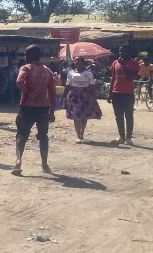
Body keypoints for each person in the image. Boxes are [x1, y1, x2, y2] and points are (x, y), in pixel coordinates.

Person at [13, 44, 56, 175]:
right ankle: (44, 164)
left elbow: (19, 81)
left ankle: (18, 161)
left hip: (27, 106)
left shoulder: (26, 68)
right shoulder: (47, 71)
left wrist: (28, 92)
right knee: (43, 136)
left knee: (21, 134)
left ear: (29, 56)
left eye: (26, 55)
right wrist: (52, 112)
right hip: (43, 107)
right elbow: (53, 92)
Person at [64, 56, 102, 141]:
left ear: (82, 62)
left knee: (84, 116)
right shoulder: (71, 73)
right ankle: (78, 135)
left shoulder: (88, 74)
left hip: (85, 95)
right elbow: (68, 85)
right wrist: (63, 96)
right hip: (74, 96)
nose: (76, 62)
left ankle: (82, 132)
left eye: (78, 61)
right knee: (76, 115)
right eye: (75, 61)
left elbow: (92, 86)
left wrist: (94, 98)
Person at [108, 44, 140, 146]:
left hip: (128, 93)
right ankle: (121, 137)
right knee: (118, 116)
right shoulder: (115, 63)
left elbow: (131, 76)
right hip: (116, 93)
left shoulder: (134, 63)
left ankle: (129, 138)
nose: (121, 53)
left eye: (124, 51)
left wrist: (124, 66)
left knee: (129, 116)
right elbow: (113, 77)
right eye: (120, 51)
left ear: (129, 52)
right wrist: (110, 92)